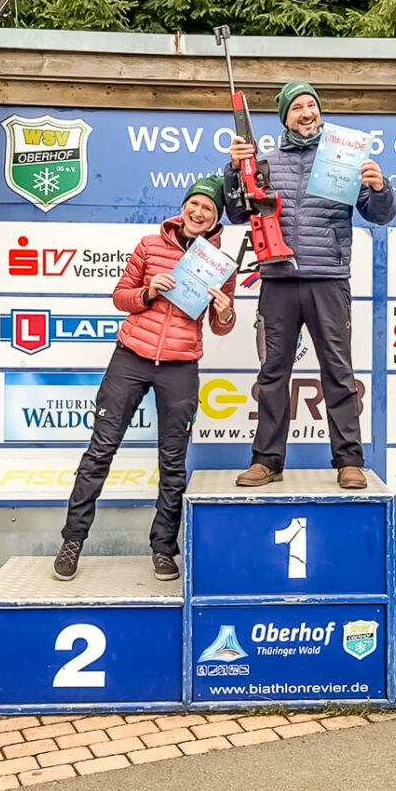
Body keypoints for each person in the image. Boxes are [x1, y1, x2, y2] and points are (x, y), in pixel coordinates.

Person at [53, 175, 236, 581]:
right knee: (100, 451)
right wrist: (148, 290)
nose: (198, 212)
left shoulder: (220, 264)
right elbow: (121, 296)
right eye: (194, 204)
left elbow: (222, 325)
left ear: (214, 219)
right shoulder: (150, 246)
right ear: (184, 206)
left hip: (181, 364)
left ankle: (163, 548)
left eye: (208, 208)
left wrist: (224, 310)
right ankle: (71, 542)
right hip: (131, 357)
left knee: (172, 464)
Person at [224, 81, 396, 489]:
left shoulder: (344, 158)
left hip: (328, 280)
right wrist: (233, 170)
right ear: (285, 116)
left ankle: (349, 461)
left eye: (312, 105)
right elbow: (235, 212)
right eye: (297, 107)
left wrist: (378, 187)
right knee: (272, 374)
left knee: (338, 371)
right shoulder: (263, 161)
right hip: (278, 279)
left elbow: (379, 214)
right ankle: (267, 460)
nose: (307, 112)